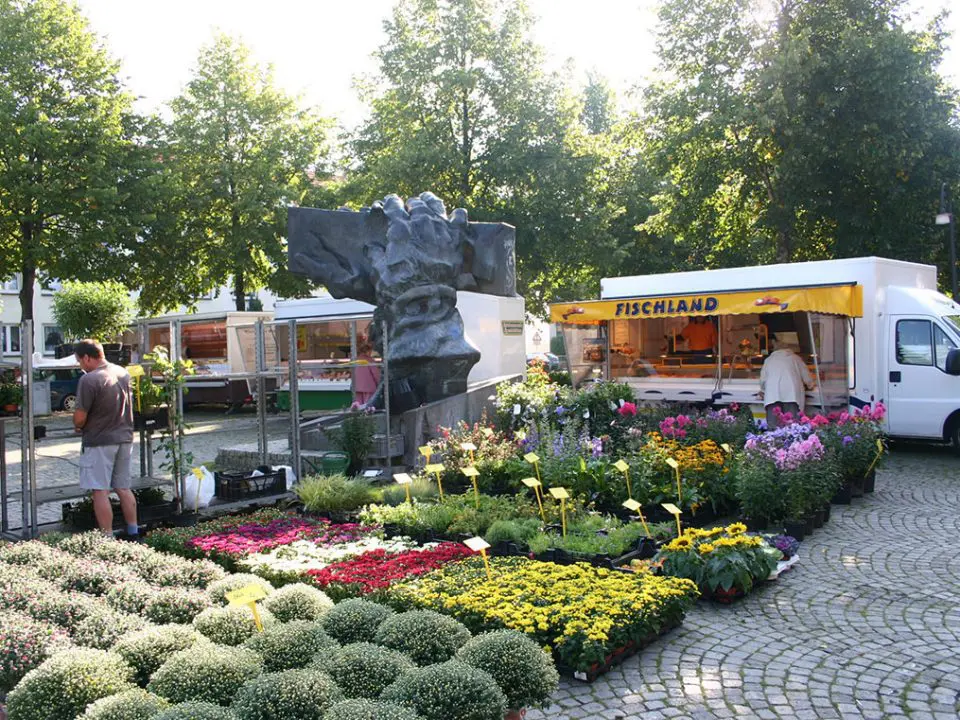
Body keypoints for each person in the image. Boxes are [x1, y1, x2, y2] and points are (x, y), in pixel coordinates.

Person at [72, 339, 138, 537]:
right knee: (123, 487)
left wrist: (77, 424)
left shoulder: (89, 379)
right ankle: (134, 532)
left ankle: (107, 538)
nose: (80, 365)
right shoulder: (122, 372)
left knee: (100, 491)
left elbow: (80, 417)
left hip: (99, 441)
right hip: (125, 438)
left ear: (87, 357)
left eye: (80, 361)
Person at [759, 334, 815, 428]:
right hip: (792, 395)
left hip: (772, 396)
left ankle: (773, 442)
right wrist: (810, 385)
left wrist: (763, 390)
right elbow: (807, 377)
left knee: (774, 427)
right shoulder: (795, 358)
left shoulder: (769, 360)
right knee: (793, 427)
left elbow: (763, 380)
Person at [353, 339, 381, 406]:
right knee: (368, 406)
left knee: (358, 406)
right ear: (368, 351)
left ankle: (360, 416)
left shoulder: (357, 359)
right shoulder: (369, 360)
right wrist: (379, 383)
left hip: (357, 387)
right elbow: (376, 374)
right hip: (368, 387)